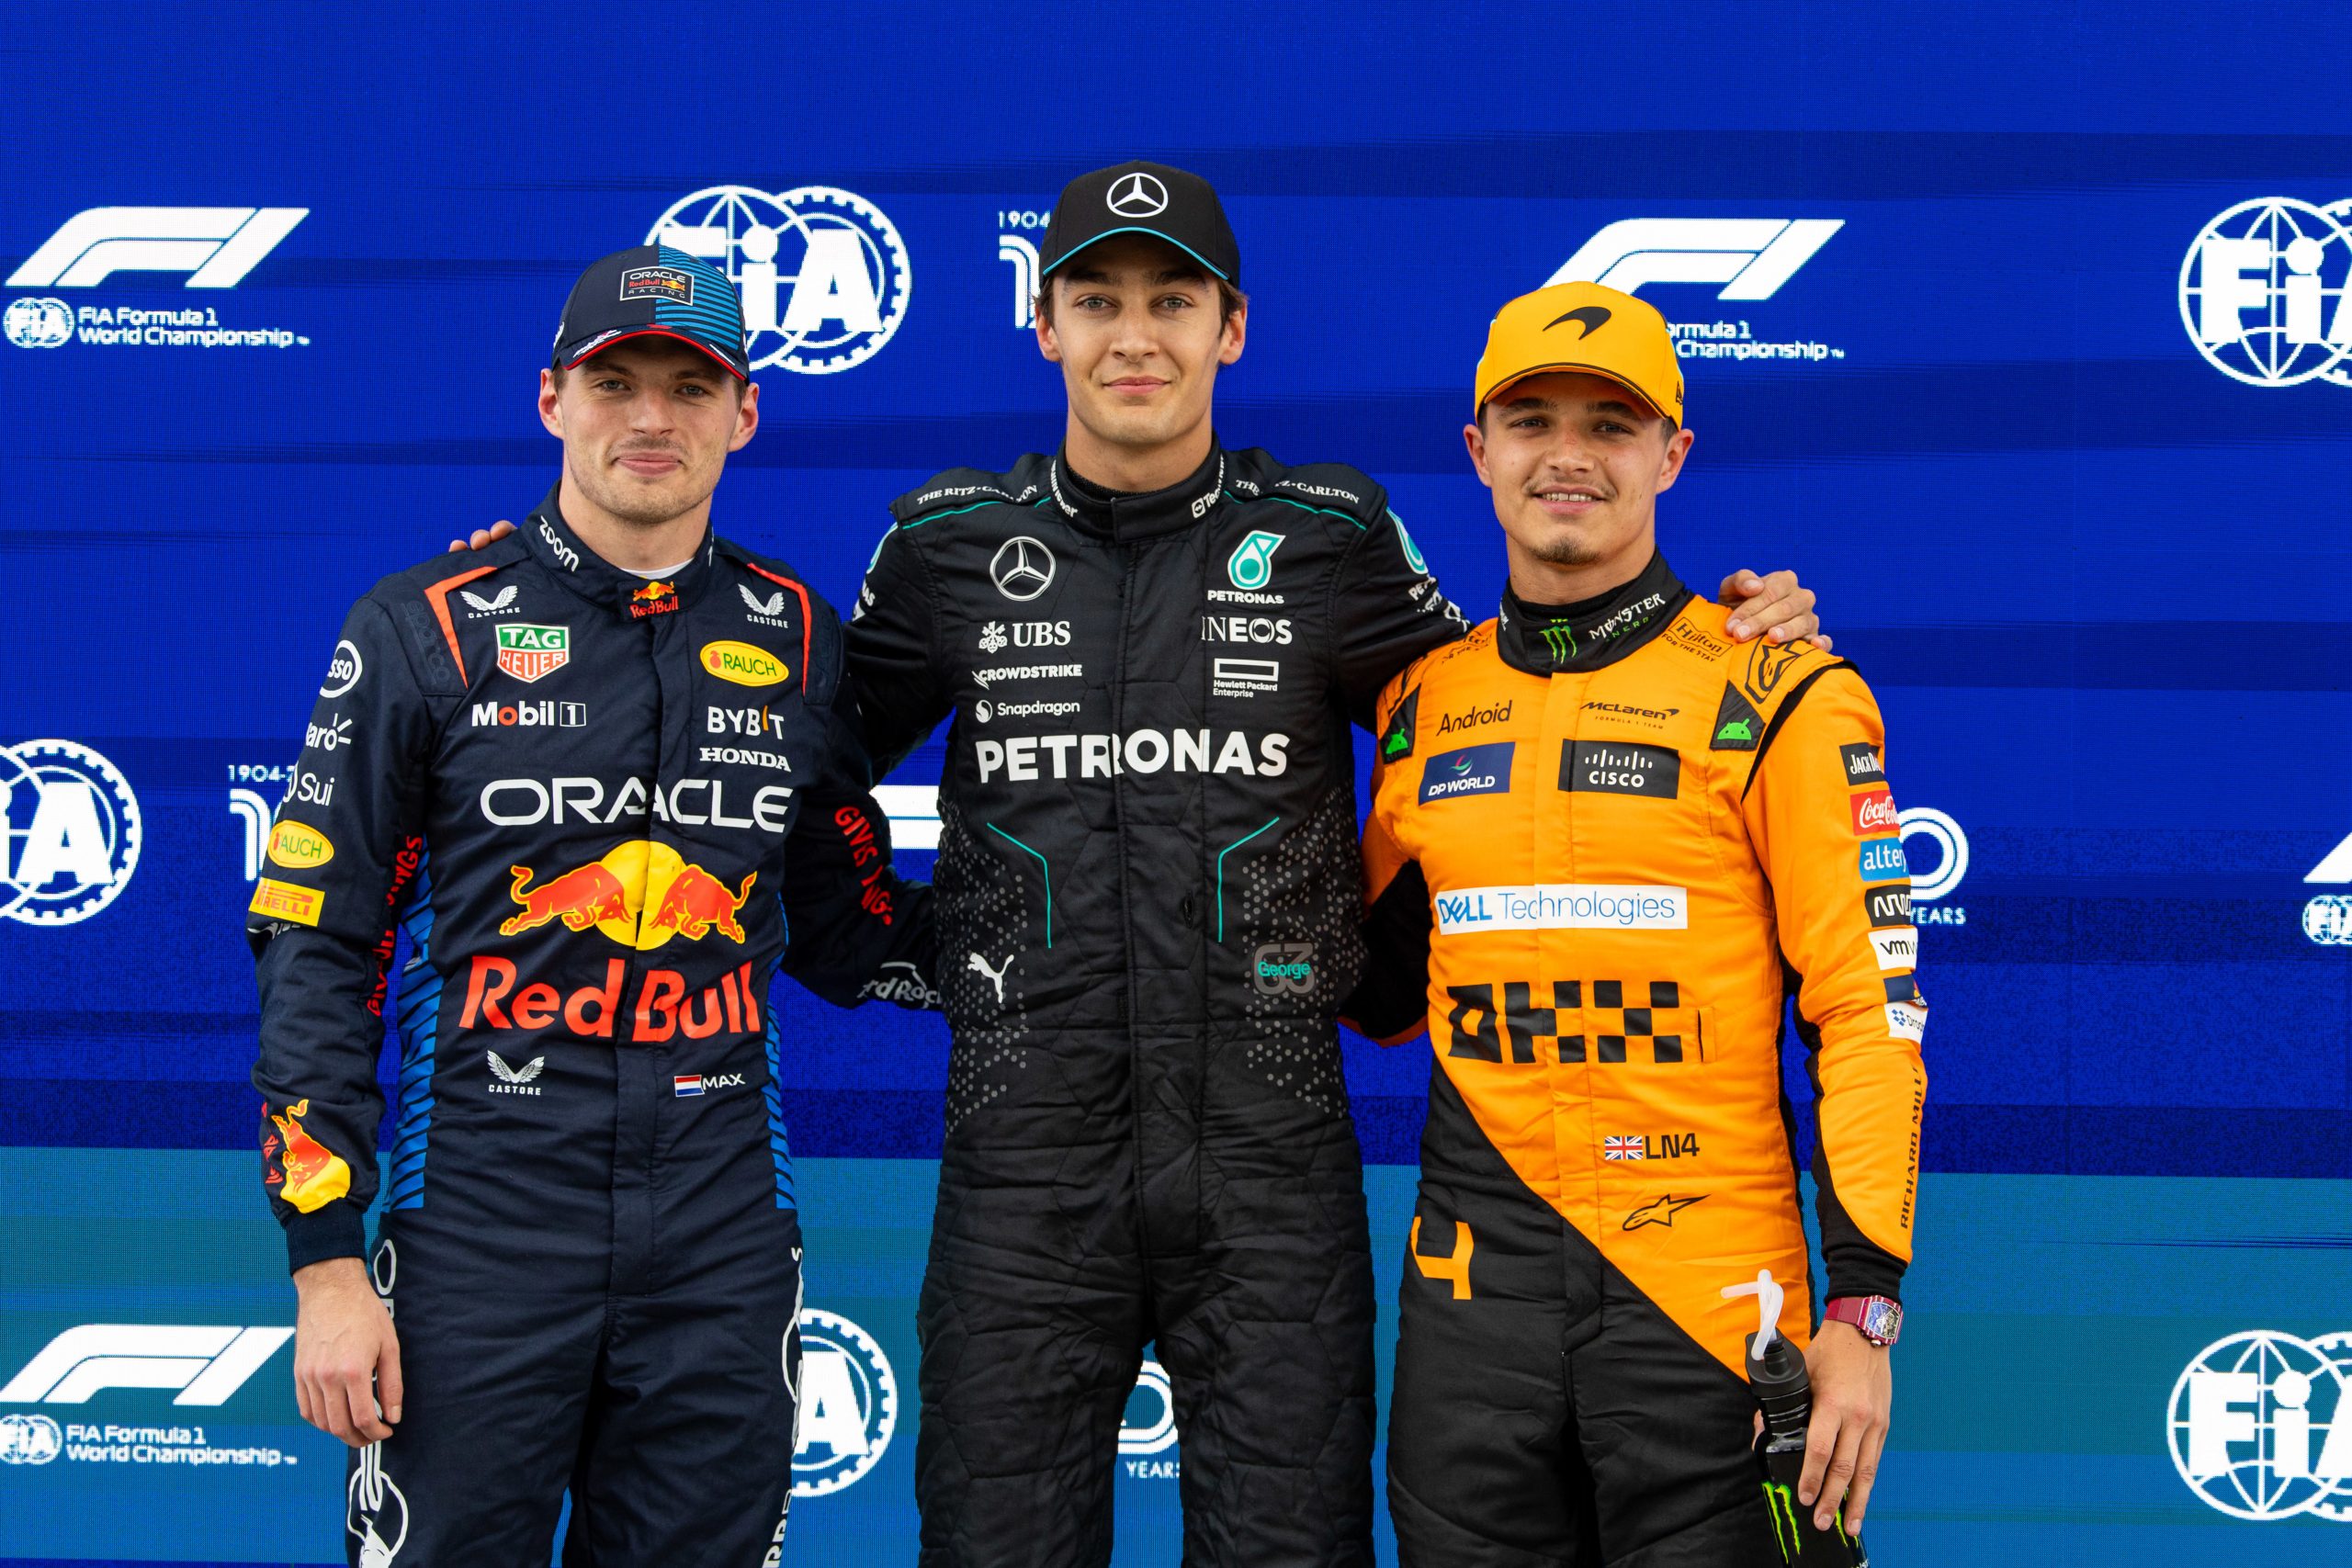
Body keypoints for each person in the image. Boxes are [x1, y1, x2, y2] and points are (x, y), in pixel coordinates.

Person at [842, 164, 1827, 1568]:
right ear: (1041, 322)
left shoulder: (1329, 534)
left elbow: (1505, 720)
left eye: (1172, 301)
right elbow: (790, 770)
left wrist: (1726, 631)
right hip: (1024, 1175)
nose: (1136, 336)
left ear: (1229, 328)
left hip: (1270, 1175)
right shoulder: (948, 541)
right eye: (1098, 300)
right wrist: (918, 949)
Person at [251, 245, 934, 1567]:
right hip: (481, 1233)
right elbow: (315, 947)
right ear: (554, 398)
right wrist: (328, 1263)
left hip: (723, 1242)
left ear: (744, 414)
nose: (651, 418)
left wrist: (1048, 940)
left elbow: (847, 929)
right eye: (616, 381)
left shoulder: (799, 638)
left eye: (691, 385)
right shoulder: (424, 629)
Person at [1344, 281, 1922, 1565]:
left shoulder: (1786, 691)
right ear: (1477, 449)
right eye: (1532, 417)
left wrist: (1865, 1313)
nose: (1568, 455)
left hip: (1717, 1313)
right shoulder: (1420, 706)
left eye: (1612, 424)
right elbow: (1378, 991)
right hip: (1469, 1321)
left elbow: (1868, 1013)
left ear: (1673, 453)